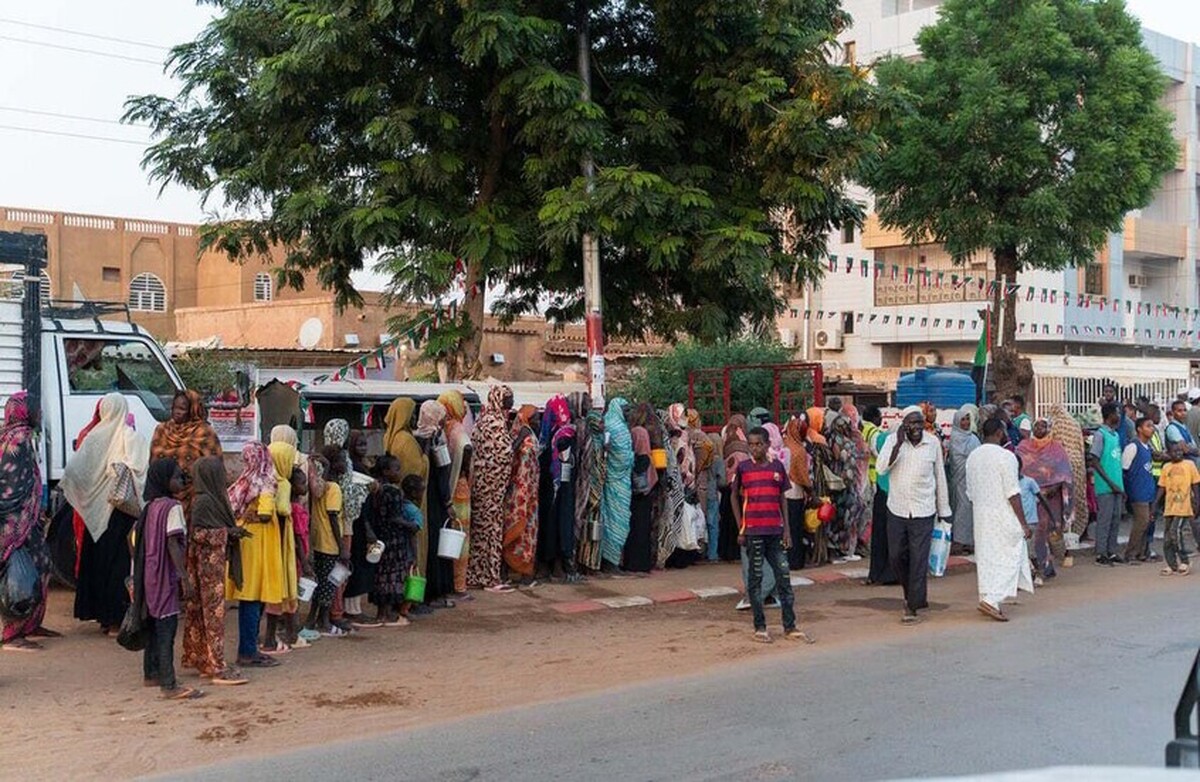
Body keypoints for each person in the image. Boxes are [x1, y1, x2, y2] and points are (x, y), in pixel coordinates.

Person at [61, 392, 149, 634]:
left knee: (99, 562)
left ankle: (102, 617)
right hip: (122, 512)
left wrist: (90, 496)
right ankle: (116, 617)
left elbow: (74, 471)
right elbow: (141, 470)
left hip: (97, 514)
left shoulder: (93, 437)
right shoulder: (130, 437)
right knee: (120, 564)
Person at [730, 427, 812, 645]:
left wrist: (786, 529)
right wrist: (741, 527)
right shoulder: (743, 468)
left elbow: (782, 498)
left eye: (759, 444)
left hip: (775, 532)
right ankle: (760, 627)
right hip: (753, 532)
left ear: (767, 445)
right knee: (755, 581)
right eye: (751, 444)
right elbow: (734, 496)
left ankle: (790, 626)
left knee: (784, 578)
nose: (755, 448)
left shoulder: (777, 467)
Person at [876, 406, 951, 625]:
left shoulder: (932, 443)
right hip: (897, 509)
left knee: (919, 559)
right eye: (912, 423)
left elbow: (940, 477)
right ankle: (912, 594)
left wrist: (944, 511)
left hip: (924, 510)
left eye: (919, 422)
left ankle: (912, 605)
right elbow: (881, 469)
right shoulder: (893, 441)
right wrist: (898, 444)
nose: (917, 427)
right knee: (896, 556)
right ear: (904, 425)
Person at [134, 458, 201, 699]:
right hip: (165, 575)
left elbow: (133, 538)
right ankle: (169, 684)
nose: (181, 481)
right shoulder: (172, 508)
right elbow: (173, 543)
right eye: (176, 477)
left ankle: (151, 673)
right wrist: (184, 577)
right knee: (167, 629)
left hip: (149, 573)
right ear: (164, 480)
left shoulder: (150, 507)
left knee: (153, 625)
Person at [181, 456, 248, 685]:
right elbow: (198, 534)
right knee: (213, 616)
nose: (225, 476)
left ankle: (206, 661)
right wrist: (227, 533)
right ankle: (217, 666)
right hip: (207, 570)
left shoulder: (212, 499)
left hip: (212, 566)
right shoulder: (204, 502)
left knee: (206, 614)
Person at [0, 391, 54, 651]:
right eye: (36, 409)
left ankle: (31, 624)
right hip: (15, 523)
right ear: (24, 412)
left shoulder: (14, 435)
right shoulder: (18, 439)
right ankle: (12, 634)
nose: (40, 414)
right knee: (19, 575)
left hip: (25, 520)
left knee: (41, 564)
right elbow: (11, 488)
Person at [967, 419, 1034, 622]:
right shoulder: (1007, 457)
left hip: (981, 515)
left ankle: (987, 598)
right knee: (1011, 556)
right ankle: (992, 600)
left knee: (987, 558)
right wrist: (1023, 524)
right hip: (1003, 514)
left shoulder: (973, 456)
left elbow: (970, 492)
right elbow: (1013, 493)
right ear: (998, 433)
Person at [226, 441, 282, 669]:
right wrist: (259, 515)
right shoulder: (266, 479)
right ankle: (248, 652)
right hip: (258, 543)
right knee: (253, 598)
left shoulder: (242, 480)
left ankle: (249, 649)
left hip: (243, 542)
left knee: (248, 596)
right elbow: (266, 514)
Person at [467, 386, 514, 590]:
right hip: (491, 487)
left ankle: (476, 574)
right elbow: (504, 454)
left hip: (482, 485)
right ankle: (489, 577)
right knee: (490, 530)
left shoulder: (482, 421)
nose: (511, 402)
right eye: (507, 398)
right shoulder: (495, 423)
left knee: (480, 530)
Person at [1016, 418, 1074, 579]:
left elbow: (1065, 472)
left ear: (1049, 428)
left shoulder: (1057, 448)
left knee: (1050, 530)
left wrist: (1054, 487)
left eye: (1043, 426)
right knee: (1037, 531)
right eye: (1036, 425)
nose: (1039, 428)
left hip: (1052, 498)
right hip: (1030, 497)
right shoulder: (1023, 447)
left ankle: (1046, 565)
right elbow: (1017, 468)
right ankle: (1040, 566)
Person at [149, 389, 222, 511]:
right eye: (174, 407)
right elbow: (154, 463)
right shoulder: (162, 430)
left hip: (194, 498)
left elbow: (213, 469)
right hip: (164, 497)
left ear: (193, 410)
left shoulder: (204, 432)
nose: (176, 412)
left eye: (182, 409)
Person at [261, 431, 299, 652]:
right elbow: (283, 511)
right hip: (279, 543)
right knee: (280, 589)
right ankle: (273, 639)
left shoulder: (260, 480)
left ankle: (264, 637)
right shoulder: (282, 484)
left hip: (263, 544)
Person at [371, 462, 421, 625]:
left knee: (381, 576)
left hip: (380, 538)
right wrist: (410, 525)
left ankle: (381, 614)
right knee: (391, 578)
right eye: (396, 468)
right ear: (386, 471)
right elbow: (396, 518)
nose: (399, 472)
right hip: (394, 541)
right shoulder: (394, 492)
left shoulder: (377, 490)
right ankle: (387, 615)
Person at [305, 453, 348, 635]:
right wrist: (342, 547)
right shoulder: (334, 488)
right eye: (342, 460)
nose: (345, 464)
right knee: (329, 584)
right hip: (330, 543)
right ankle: (324, 622)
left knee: (321, 583)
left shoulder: (320, 486)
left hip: (319, 542)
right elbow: (332, 516)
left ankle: (312, 621)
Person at [438, 390, 474, 598]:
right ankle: (458, 585)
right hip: (459, 490)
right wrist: (465, 473)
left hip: (445, 491)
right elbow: (467, 450)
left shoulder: (444, 430)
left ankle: (449, 584)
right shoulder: (459, 431)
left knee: (447, 537)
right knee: (459, 538)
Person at [503, 404, 540, 583]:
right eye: (535, 418)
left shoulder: (529, 434)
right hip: (520, 493)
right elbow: (510, 457)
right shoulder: (521, 436)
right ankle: (513, 571)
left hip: (530, 492)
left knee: (528, 532)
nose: (538, 421)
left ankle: (524, 571)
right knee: (517, 529)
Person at [862, 407, 896, 586]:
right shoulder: (882, 437)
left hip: (880, 490)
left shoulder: (876, 437)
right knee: (894, 537)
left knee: (879, 536)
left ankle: (876, 573)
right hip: (895, 495)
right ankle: (891, 573)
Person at [1089, 403, 1125, 565]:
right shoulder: (1100, 435)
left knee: (1115, 519)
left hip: (1117, 485)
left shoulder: (1115, 435)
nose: (1119, 415)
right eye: (1117, 412)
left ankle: (1111, 551)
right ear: (1110, 415)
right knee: (1105, 519)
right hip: (1105, 486)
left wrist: (1120, 485)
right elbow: (1095, 461)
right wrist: (1110, 483)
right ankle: (1101, 553)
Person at [600, 397, 634, 571]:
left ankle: (614, 560)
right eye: (625, 410)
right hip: (614, 481)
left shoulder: (621, 427)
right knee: (613, 520)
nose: (628, 413)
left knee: (621, 520)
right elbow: (621, 456)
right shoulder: (614, 427)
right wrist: (630, 459)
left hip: (623, 481)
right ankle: (609, 561)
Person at [1156, 443, 1199, 576]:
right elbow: (1162, 487)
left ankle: (1184, 561)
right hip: (1170, 507)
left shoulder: (1189, 465)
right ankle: (1171, 564)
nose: (1178, 454)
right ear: (1169, 454)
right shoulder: (1166, 467)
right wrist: (1154, 505)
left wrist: (1197, 502)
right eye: (1175, 452)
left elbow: (1195, 484)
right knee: (1167, 537)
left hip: (1184, 507)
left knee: (1176, 533)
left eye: (1180, 451)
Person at [1121, 417, 1157, 564]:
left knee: (1147, 523)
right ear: (1139, 429)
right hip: (1137, 492)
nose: (1152, 429)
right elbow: (1124, 470)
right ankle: (1129, 554)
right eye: (1148, 426)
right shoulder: (1133, 447)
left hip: (1148, 491)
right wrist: (1126, 491)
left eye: (1152, 426)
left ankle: (1141, 553)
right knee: (1141, 522)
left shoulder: (1147, 448)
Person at [1048, 404, 1087, 538]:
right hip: (1077, 463)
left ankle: (1063, 530)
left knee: (1064, 498)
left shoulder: (1055, 423)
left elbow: (1050, 444)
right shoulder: (1075, 424)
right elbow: (1081, 446)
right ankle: (1076, 530)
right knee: (1076, 495)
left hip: (1061, 463)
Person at [575, 406, 606, 573]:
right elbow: (587, 466)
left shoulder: (601, 441)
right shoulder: (590, 441)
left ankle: (592, 562)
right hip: (589, 488)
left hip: (599, 487)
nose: (602, 425)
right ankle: (584, 562)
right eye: (599, 422)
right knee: (587, 526)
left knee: (596, 527)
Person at [624, 425, 658, 573]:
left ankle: (633, 563)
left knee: (635, 530)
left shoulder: (636, 459)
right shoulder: (649, 457)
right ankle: (643, 564)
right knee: (644, 530)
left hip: (636, 499)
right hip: (646, 498)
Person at [948, 404, 980, 554]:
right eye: (963, 419)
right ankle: (958, 540)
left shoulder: (973, 438)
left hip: (971, 480)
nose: (966, 422)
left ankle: (968, 541)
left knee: (968, 509)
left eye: (968, 419)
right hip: (958, 479)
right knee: (960, 508)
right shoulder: (954, 438)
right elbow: (955, 459)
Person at [782, 416, 812, 570]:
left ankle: (784, 559)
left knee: (785, 526)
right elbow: (802, 476)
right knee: (795, 527)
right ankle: (795, 560)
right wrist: (811, 490)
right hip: (794, 491)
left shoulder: (783, 445)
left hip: (782, 491)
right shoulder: (799, 450)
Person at [1015, 457, 1046, 585]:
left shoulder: (1029, 482)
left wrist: (1051, 516)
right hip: (1016, 522)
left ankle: (1039, 573)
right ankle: (1024, 576)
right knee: (1018, 552)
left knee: (1030, 551)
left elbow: (1041, 498)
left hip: (1030, 521)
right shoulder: (1010, 484)